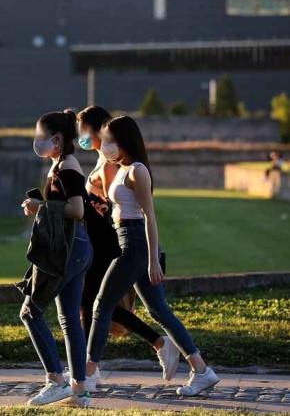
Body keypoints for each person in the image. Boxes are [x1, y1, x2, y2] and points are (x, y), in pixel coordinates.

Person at [85, 116, 219, 397]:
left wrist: (153, 259)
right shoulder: (120, 169)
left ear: (125, 141)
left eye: (110, 141)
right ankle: (202, 370)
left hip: (135, 245)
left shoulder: (137, 171)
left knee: (101, 305)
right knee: (159, 311)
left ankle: (85, 375)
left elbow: (149, 216)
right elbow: (123, 207)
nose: (105, 146)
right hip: (126, 239)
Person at [75, 106, 180, 386]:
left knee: (95, 302)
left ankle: (90, 369)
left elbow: (115, 205)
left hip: (111, 240)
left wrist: (90, 205)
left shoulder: (112, 164)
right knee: (95, 302)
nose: (80, 138)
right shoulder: (102, 161)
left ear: (97, 131)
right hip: (101, 238)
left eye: (83, 131)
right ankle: (155, 344)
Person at [19, 110, 93, 407]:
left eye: (41, 136)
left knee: (30, 312)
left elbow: (77, 209)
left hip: (67, 251)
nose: (37, 141)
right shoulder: (60, 166)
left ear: (57, 139)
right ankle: (80, 390)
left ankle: (56, 380)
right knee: (69, 321)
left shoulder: (67, 169)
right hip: (75, 249)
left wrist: (42, 208)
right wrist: (43, 205)